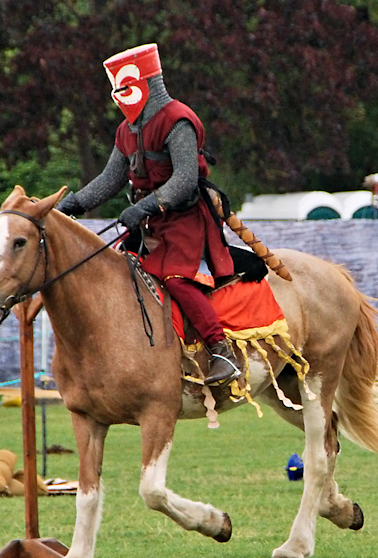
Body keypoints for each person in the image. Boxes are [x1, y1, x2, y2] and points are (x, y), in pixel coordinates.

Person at [57, 43, 240, 386]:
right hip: (150, 223)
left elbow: (185, 180)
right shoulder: (125, 131)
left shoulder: (177, 119)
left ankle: (220, 350)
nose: (118, 96)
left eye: (124, 87)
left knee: (174, 279)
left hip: (184, 220)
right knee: (116, 276)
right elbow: (110, 179)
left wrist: (144, 205)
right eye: (114, 89)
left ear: (147, 82)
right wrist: (72, 205)